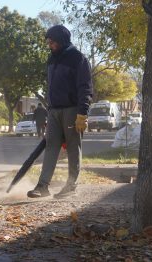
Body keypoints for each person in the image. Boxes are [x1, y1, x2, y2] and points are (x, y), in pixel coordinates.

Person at [27, 25, 93, 199]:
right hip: (54, 111)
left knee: (72, 148)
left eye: (52, 41)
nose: (50, 45)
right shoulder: (52, 59)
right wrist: (50, 111)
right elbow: (51, 87)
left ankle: (71, 185)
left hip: (72, 110)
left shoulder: (78, 58)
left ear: (62, 40)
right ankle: (42, 186)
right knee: (51, 147)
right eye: (48, 42)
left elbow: (85, 88)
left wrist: (82, 113)